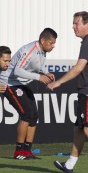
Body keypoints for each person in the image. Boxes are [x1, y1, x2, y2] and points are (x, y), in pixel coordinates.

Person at [48, 11, 88, 173]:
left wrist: (58, 82)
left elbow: (78, 68)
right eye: (73, 23)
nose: (73, 26)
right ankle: (69, 165)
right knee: (79, 128)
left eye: (77, 23)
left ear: (87, 24)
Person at [0, 28, 57, 160]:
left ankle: (27, 150)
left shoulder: (43, 51)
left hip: (21, 84)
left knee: (34, 116)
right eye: (51, 43)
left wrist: (46, 72)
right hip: (10, 83)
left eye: (54, 43)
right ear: (43, 41)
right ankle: (18, 151)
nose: (53, 46)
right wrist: (39, 77)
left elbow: (39, 66)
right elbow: (18, 71)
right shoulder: (29, 50)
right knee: (26, 114)